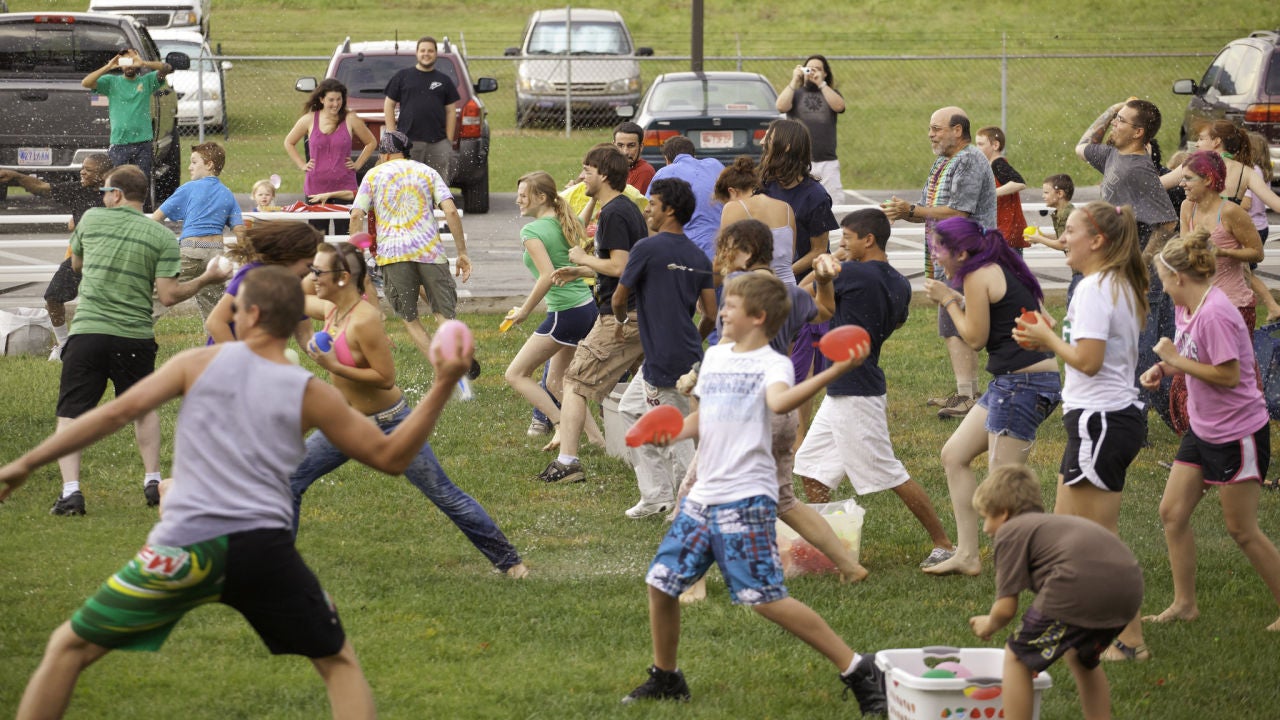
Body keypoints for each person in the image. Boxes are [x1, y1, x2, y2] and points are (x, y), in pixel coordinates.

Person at [0, 265, 476, 719]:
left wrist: (25, 463)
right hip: (263, 552)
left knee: (69, 647)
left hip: (184, 547)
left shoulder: (195, 364)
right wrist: (441, 385)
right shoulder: (312, 393)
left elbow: (110, 416)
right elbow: (392, 460)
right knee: (339, 665)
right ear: (295, 322)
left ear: (247, 315)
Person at [620, 271, 885, 715]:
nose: (721, 311)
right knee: (662, 584)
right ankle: (667, 677)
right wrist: (671, 433)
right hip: (705, 494)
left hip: (745, 496)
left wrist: (836, 369)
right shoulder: (718, 357)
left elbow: (780, 404)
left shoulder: (773, 364)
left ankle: (857, 668)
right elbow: (704, 419)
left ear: (759, 318)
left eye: (731, 307)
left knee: (764, 599)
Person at [289, 244, 528, 578]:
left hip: (390, 423)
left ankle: (511, 563)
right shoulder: (331, 309)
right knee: (290, 479)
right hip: (347, 420)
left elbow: (386, 379)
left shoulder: (364, 320)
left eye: (318, 273)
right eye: (312, 271)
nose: (312, 278)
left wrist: (333, 366)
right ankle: (279, 565)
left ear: (343, 278)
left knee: (443, 494)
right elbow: (291, 292)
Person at [47, 164, 230, 516]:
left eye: (104, 191)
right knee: (142, 409)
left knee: (71, 413)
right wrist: (207, 278)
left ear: (116, 194)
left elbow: (77, 266)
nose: (102, 197)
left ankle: (71, 492)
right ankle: (152, 481)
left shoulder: (91, 220)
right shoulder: (161, 237)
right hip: (134, 336)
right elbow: (170, 294)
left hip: (88, 333)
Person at [1013, 201, 1153, 662]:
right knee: (1067, 530)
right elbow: (1097, 349)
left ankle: (1130, 641)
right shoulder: (1117, 282)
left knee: (1097, 537)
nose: (1062, 236)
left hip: (1101, 420)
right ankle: (1066, 620)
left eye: (1069, 229)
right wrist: (1057, 332)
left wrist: (1047, 341)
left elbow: (1090, 363)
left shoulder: (1095, 287)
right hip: (1104, 419)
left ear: (1096, 241)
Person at [794, 209, 957, 570]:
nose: (841, 245)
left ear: (868, 240)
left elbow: (800, 296)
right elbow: (897, 321)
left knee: (887, 471)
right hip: (852, 385)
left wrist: (825, 267)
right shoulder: (899, 282)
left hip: (856, 391)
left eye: (846, 239)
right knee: (811, 466)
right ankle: (829, 544)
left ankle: (943, 543)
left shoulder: (849, 273)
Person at [1139, 230, 1280, 632]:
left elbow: (1229, 375)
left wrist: (1175, 362)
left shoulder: (1216, 311)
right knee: (1172, 513)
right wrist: (1165, 366)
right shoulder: (1189, 306)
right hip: (1203, 429)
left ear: (1179, 277)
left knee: (1242, 529)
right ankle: (1185, 604)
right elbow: (1193, 355)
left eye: (1163, 279)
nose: (1161, 286)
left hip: (1238, 433)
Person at [921, 217, 1062, 576]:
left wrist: (948, 302)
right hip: (1014, 383)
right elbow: (1048, 320)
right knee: (954, 455)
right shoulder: (1001, 264)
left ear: (962, 252)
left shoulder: (976, 275)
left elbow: (975, 338)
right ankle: (968, 554)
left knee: (1004, 485)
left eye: (940, 250)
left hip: (1022, 386)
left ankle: (1032, 561)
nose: (937, 258)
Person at [969, 466, 1143, 720]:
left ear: (1004, 513)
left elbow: (1006, 608)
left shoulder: (1011, 531)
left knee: (1017, 656)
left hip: (1077, 587)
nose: (985, 529)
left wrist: (989, 624)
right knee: (1083, 659)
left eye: (986, 517)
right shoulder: (1053, 525)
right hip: (1129, 587)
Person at [537, 146, 648, 483]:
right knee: (654, 387)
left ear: (602, 174)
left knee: (575, 382)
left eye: (586, 170)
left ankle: (568, 462)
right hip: (639, 313)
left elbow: (621, 265)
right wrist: (579, 271)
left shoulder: (614, 212)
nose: (582, 176)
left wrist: (583, 260)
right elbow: (617, 267)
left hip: (622, 317)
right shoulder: (620, 208)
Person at [612, 178, 717, 519]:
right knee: (630, 409)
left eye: (653, 204)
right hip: (686, 353)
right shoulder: (699, 255)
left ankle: (689, 503)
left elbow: (618, 298)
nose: (648, 210)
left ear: (669, 210)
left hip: (662, 358)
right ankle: (656, 494)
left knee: (676, 432)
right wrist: (692, 340)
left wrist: (621, 320)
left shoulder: (646, 248)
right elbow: (712, 314)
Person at [882, 107, 997, 419]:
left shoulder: (970, 159)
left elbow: (959, 212)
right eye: (930, 128)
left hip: (970, 254)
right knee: (950, 321)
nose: (930, 134)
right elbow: (932, 208)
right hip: (952, 255)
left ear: (957, 131)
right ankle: (967, 393)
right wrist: (903, 211)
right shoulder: (945, 161)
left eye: (936, 128)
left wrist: (914, 211)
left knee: (956, 320)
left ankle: (968, 396)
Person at [1075, 98, 1179, 434]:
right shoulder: (1113, 155)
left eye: (1121, 121)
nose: (1114, 125)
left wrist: (1140, 266)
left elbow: (1167, 223)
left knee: (1142, 353)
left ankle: (1145, 427)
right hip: (1121, 275)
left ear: (1138, 132)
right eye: (1115, 120)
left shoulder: (1138, 169)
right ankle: (1176, 420)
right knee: (1127, 348)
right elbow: (1082, 146)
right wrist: (1110, 110)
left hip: (1141, 281)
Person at [350, 131, 474, 372]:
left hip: (393, 254)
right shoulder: (428, 172)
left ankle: (446, 373)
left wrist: (355, 256)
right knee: (444, 316)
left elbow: (356, 215)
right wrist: (461, 252)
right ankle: (460, 359)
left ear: (385, 153)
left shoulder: (373, 175)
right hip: (430, 253)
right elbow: (450, 211)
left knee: (410, 319)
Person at [1165, 151, 1265, 437]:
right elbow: (1185, 249)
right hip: (1197, 305)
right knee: (1187, 378)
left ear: (1208, 179)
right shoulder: (1187, 207)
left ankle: (1238, 436)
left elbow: (1256, 252)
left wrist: (1221, 252)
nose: (1182, 184)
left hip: (1233, 304)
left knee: (1227, 377)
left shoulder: (1231, 212)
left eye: (1188, 179)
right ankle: (1196, 442)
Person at [502, 171, 601, 446]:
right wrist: (590, 196)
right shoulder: (563, 220)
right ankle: (596, 440)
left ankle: (559, 424)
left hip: (566, 313)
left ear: (541, 197)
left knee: (516, 374)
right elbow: (581, 224)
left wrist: (523, 310)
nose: (518, 201)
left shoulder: (531, 231)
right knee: (558, 381)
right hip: (586, 307)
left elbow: (547, 275)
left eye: (523, 196)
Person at [758, 119, 839, 448]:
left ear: (787, 146)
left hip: (802, 281)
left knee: (798, 362)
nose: (763, 142)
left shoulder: (814, 195)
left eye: (769, 138)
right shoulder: (762, 186)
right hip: (764, 283)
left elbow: (819, 250)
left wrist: (783, 273)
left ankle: (799, 433)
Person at [0, 153, 113, 361]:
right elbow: (42, 188)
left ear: (105, 174)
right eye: (82, 167)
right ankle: (64, 344)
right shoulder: (79, 191)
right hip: (81, 257)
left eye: (88, 169)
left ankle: (109, 346)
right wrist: (16, 176)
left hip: (110, 260)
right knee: (53, 297)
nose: (82, 171)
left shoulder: (116, 196)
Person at [151, 142, 246, 322]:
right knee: (215, 313)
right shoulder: (227, 193)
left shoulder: (189, 188)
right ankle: (221, 344)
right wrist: (245, 260)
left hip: (191, 251)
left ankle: (132, 335)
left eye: (194, 162)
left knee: (156, 297)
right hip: (216, 256)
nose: (189, 167)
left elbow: (156, 218)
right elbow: (240, 231)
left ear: (209, 164)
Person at [205, 220, 323, 343]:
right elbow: (216, 322)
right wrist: (239, 358)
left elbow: (305, 334)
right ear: (292, 256)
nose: (311, 273)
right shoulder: (253, 275)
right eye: (309, 265)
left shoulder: (294, 284)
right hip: (227, 357)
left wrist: (331, 359)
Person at [80, 48, 174, 182]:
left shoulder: (146, 81)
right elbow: (86, 83)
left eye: (132, 59)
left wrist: (143, 63)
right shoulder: (111, 82)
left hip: (143, 144)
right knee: (117, 182)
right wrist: (108, 66)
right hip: (119, 144)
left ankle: (143, 204)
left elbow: (167, 68)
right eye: (125, 60)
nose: (129, 65)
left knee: (142, 182)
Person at [284, 78, 376, 206]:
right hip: (316, 187)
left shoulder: (350, 118)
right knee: (318, 227)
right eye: (331, 100)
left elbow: (371, 142)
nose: (336, 104)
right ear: (322, 99)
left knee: (344, 227)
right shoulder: (309, 119)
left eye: (339, 99)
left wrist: (357, 165)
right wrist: (302, 165)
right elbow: (289, 142)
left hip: (345, 187)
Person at [383, 36, 459, 179]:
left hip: (438, 143)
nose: (426, 54)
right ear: (417, 53)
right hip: (409, 142)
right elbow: (389, 104)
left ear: (436, 53)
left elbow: (451, 111)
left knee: (438, 185)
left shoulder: (444, 80)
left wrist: (448, 140)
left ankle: (436, 203)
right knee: (409, 185)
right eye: (422, 50)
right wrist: (392, 134)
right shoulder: (403, 76)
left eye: (430, 51)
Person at [714, 156, 797, 286]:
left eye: (725, 201)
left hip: (753, 292)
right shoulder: (786, 208)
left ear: (732, 191)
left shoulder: (732, 208)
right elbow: (789, 257)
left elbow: (724, 262)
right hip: (789, 290)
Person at [775, 54, 846, 204]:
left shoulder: (830, 93)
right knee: (798, 203)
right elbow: (781, 106)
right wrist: (794, 80)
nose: (813, 72)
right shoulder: (795, 93)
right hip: (798, 161)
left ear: (825, 73)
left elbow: (839, 106)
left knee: (834, 203)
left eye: (818, 69)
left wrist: (822, 84)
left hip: (827, 161)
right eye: (809, 69)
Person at [648, 136, 725, 261]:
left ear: (667, 159)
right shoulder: (716, 165)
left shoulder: (665, 172)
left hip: (685, 253)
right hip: (721, 249)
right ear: (693, 155)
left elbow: (649, 211)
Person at [1024, 174, 1079, 304]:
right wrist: (1041, 236)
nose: (1043, 196)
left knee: (1073, 304)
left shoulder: (1068, 214)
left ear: (1059, 193)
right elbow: (1063, 236)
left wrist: (1040, 239)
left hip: (1082, 270)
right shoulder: (1063, 212)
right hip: (1078, 269)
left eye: (1046, 192)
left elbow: (1063, 244)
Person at [975, 126, 1028, 251]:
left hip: (1008, 232)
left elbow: (1019, 183)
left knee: (1007, 269)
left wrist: (990, 193)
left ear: (995, 145)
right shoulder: (991, 165)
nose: (977, 148)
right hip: (1003, 231)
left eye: (981, 144)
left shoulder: (998, 164)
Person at [614, 121, 655, 193]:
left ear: (641, 147)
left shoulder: (644, 172)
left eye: (631, 146)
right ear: (613, 145)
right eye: (620, 145)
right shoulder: (610, 167)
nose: (625, 152)